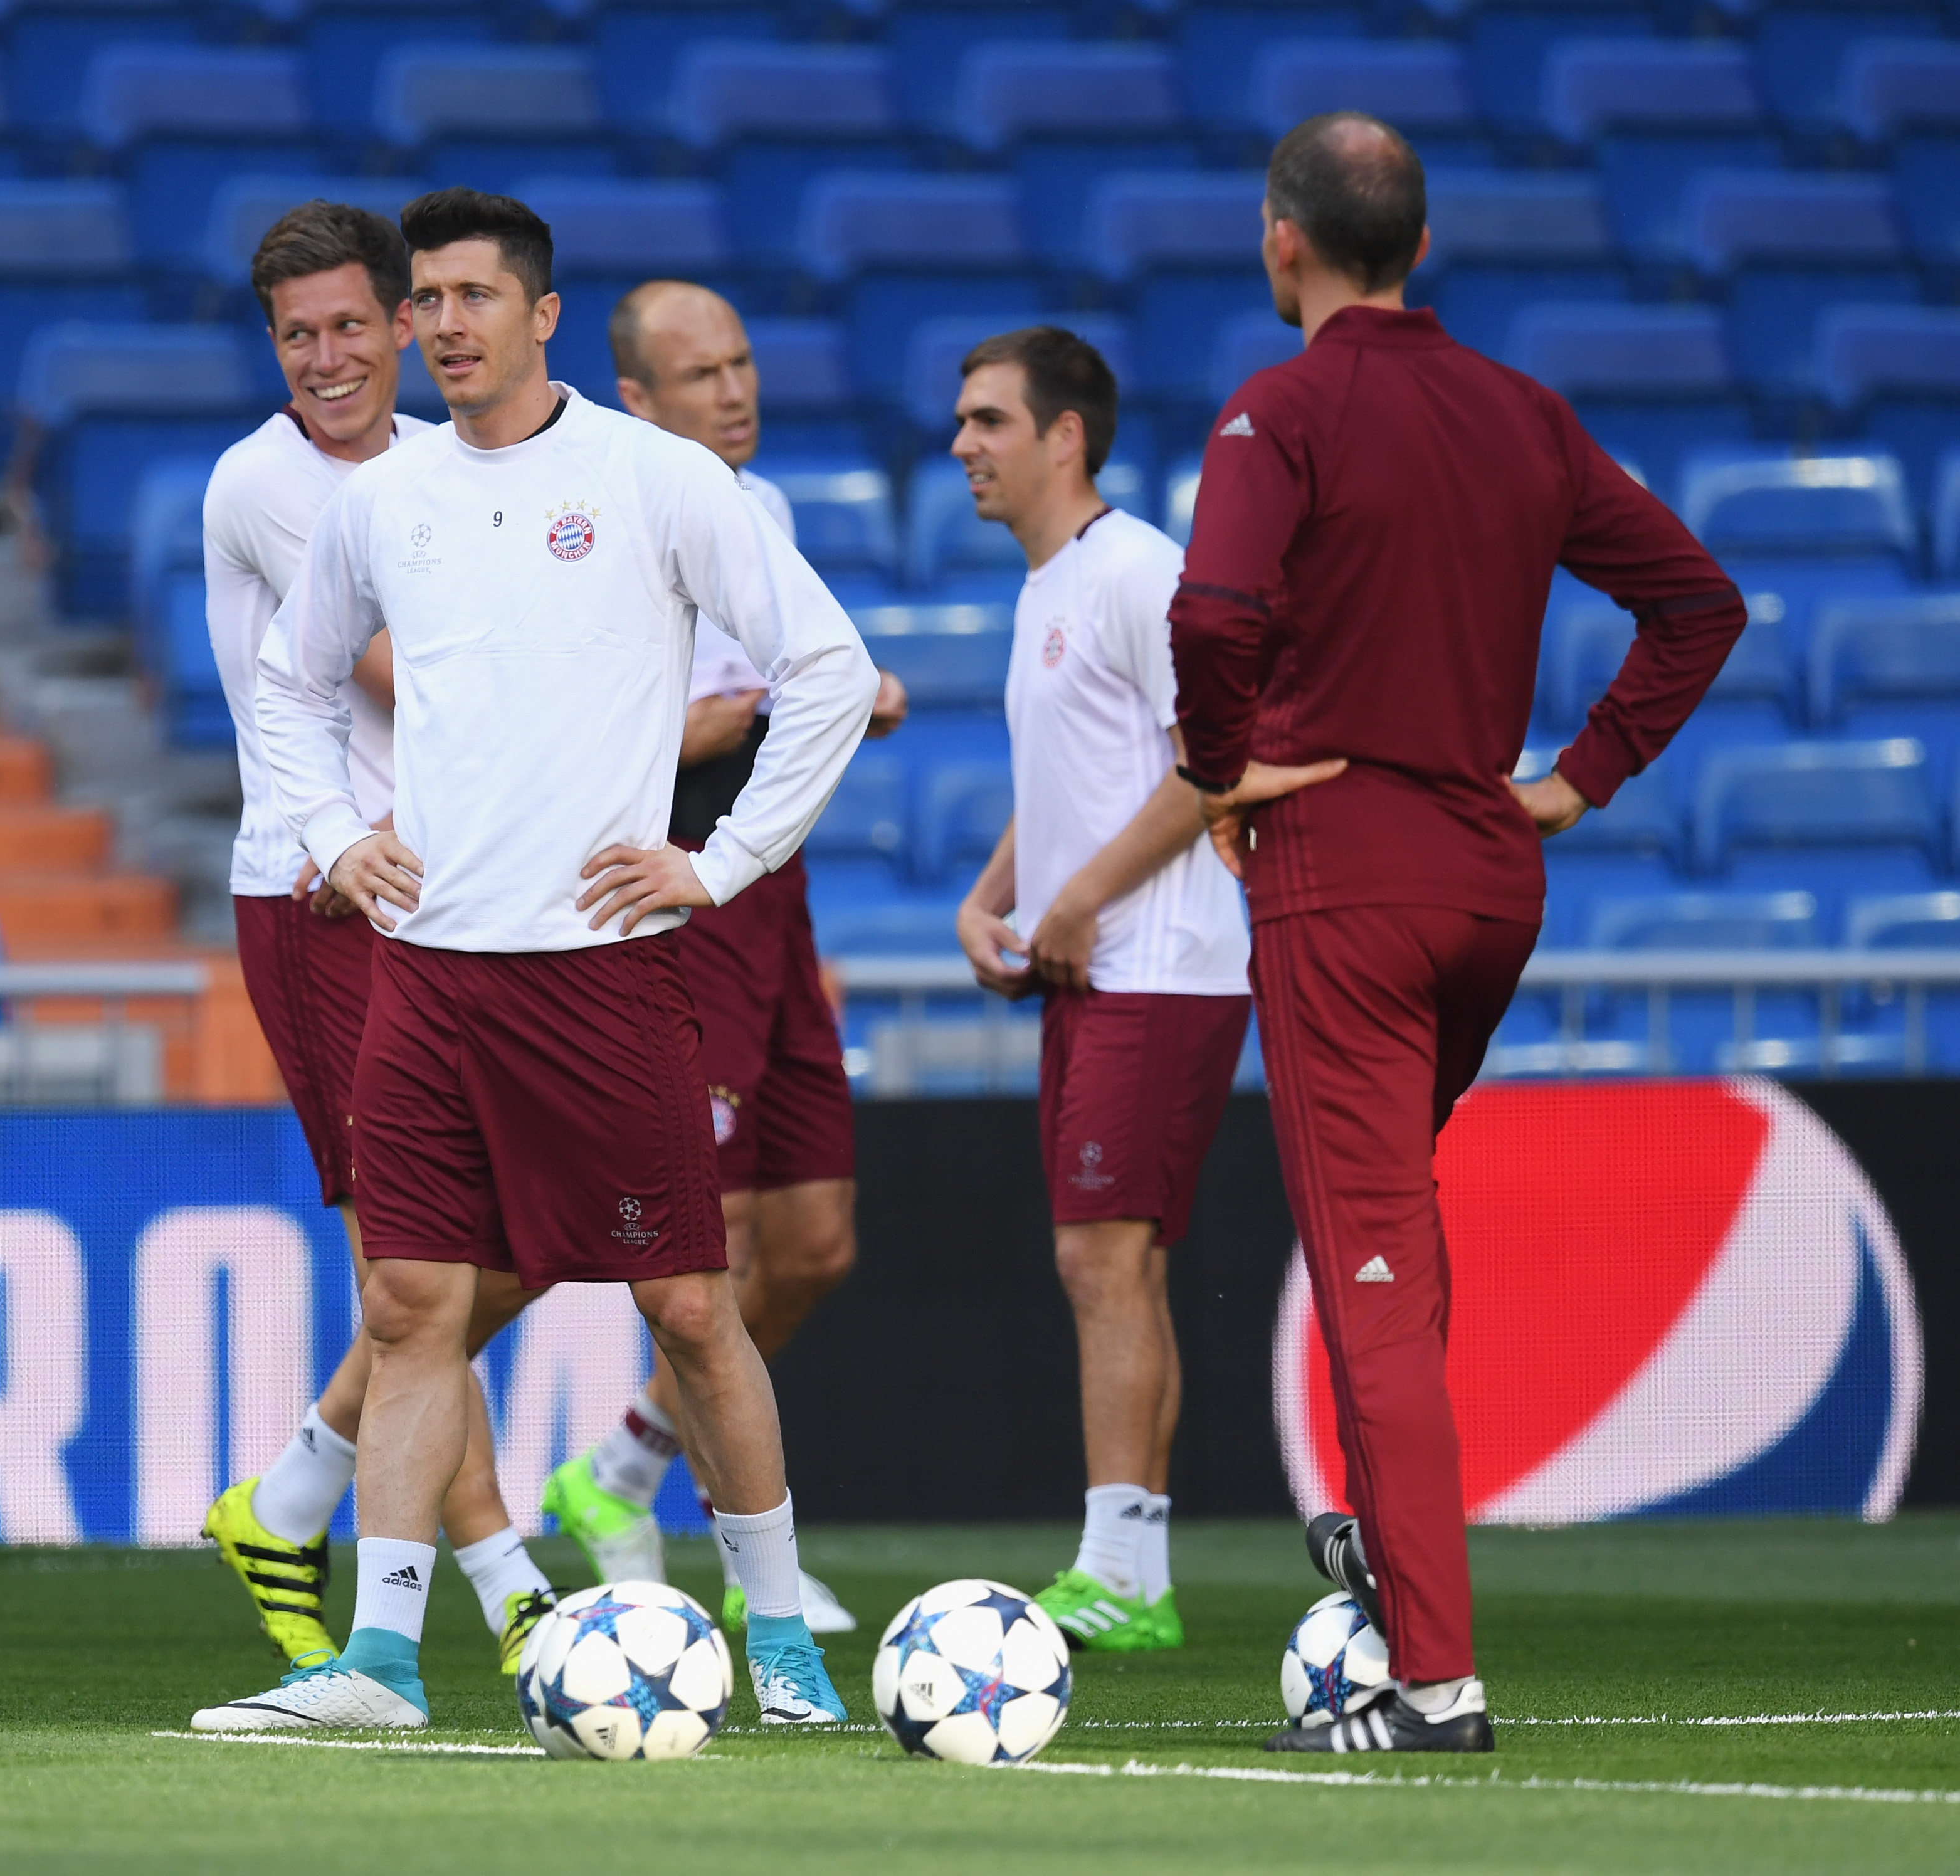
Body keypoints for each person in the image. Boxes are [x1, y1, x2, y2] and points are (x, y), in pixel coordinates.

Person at [196, 187, 877, 1732]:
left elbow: (824, 667)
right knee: (406, 1304)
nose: (442, 326)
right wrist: (324, 830)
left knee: (693, 1310)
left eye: (472, 298)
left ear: (542, 314)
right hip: (427, 969)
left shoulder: (654, 478)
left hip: (600, 969)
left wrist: (720, 861)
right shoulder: (384, 499)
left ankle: (776, 1637)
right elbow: (285, 683)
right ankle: (376, 1663)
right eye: (424, 298)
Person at [1166, 115, 1746, 1752]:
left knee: (1377, 1274)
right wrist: (1580, 779)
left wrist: (1219, 767)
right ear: (1419, 245)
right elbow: (1701, 601)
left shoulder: (1278, 412)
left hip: (1340, 875)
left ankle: (1433, 1680)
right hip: (1493, 877)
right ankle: (1383, 1531)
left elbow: (1209, 614)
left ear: (1284, 240)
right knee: (1388, 1241)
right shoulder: (1520, 411)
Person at [194, 199, 560, 1678]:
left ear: (405, 324)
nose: (329, 359)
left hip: (456, 901)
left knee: (504, 1239)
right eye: (300, 335)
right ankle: (505, 1579)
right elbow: (427, 681)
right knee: (417, 1268)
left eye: (355, 325)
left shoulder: (434, 462)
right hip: (325, 893)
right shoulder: (270, 486)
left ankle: (287, 1494)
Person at [539, 280, 909, 1638]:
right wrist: (710, 727)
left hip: (770, 894)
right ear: (635, 399)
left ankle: (615, 1469)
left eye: (742, 363)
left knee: (812, 1240)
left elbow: (782, 691)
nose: (734, 391)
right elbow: (588, 722)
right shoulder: (606, 516)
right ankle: (729, 1542)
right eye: (700, 375)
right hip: (674, 896)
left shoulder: (762, 513)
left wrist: (834, 701)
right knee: (718, 1232)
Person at [942, 328, 1258, 1654]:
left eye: (987, 421)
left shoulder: (1138, 572)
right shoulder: (1050, 586)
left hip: (1157, 960)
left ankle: (1120, 1566)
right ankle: (1129, 1562)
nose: (962, 445)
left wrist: (1074, 902)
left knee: (1102, 1257)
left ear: (1064, 435)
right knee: (1114, 1263)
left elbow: (1210, 766)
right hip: (1100, 961)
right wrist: (994, 888)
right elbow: (1070, 778)